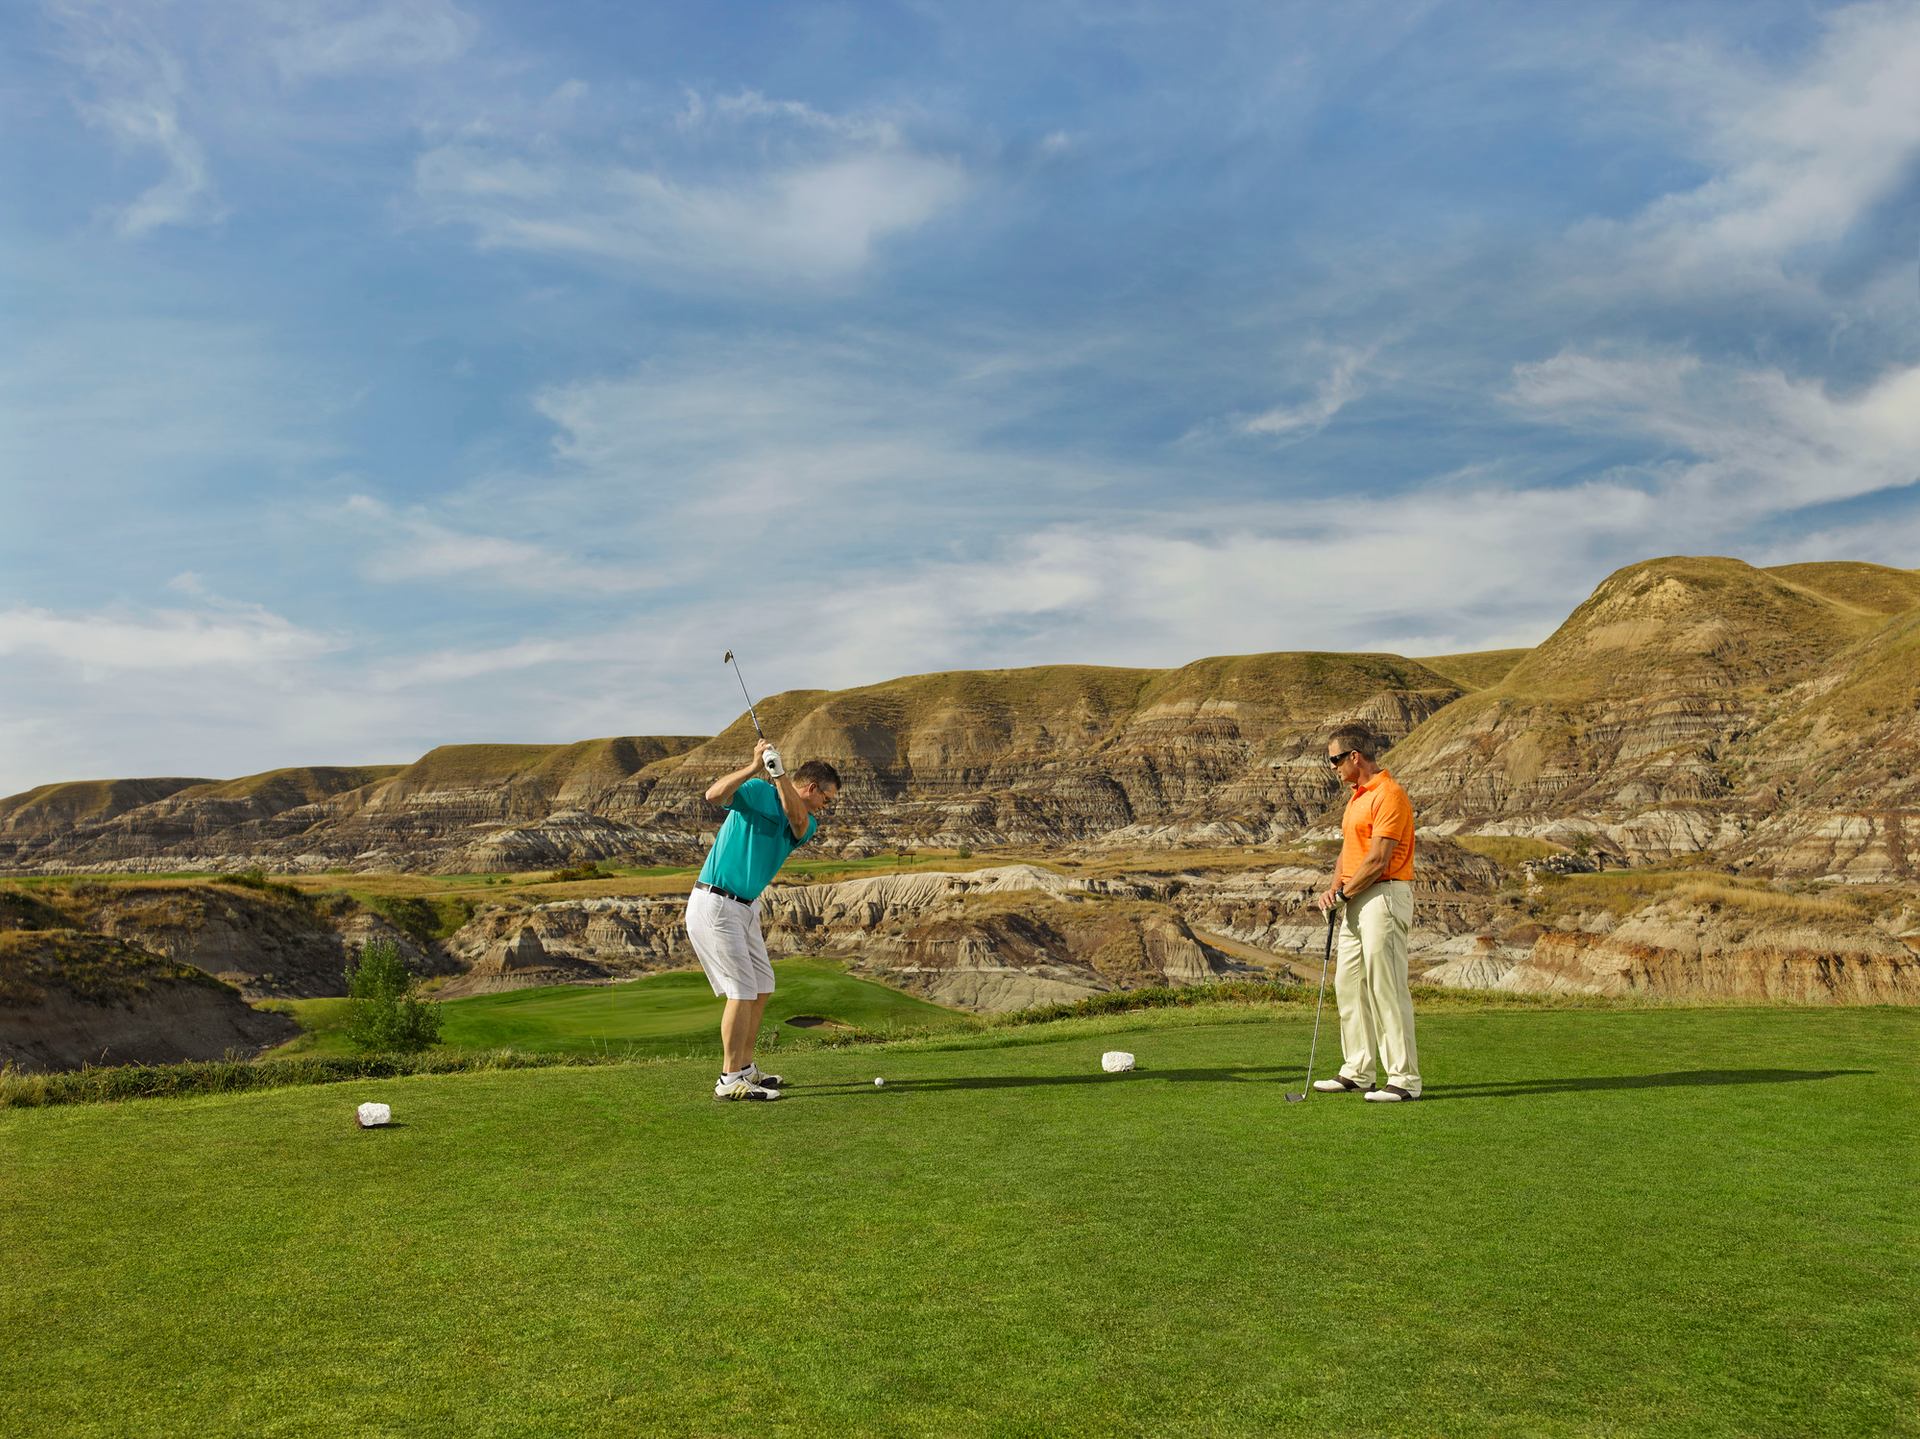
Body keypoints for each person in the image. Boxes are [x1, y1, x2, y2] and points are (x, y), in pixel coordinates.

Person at [685, 739, 841, 1101]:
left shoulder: (808, 822)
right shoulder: (755, 790)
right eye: (826, 799)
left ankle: (746, 1066)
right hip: (715, 902)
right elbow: (713, 795)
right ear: (812, 788)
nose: (825, 807)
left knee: (762, 984)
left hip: (745, 909)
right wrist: (756, 767)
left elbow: (797, 819)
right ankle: (729, 1078)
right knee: (741, 989)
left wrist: (780, 773)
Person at [1313, 724, 1422, 1101]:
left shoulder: (1389, 794)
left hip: (1384, 896)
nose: (1333, 768)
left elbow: (1378, 859)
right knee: (1349, 985)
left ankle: (1404, 1080)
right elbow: (1350, 851)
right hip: (1355, 898)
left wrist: (1344, 893)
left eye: (1334, 760)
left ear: (1354, 756)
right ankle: (1358, 1071)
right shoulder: (1356, 797)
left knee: (1385, 986)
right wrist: (1334, 889)